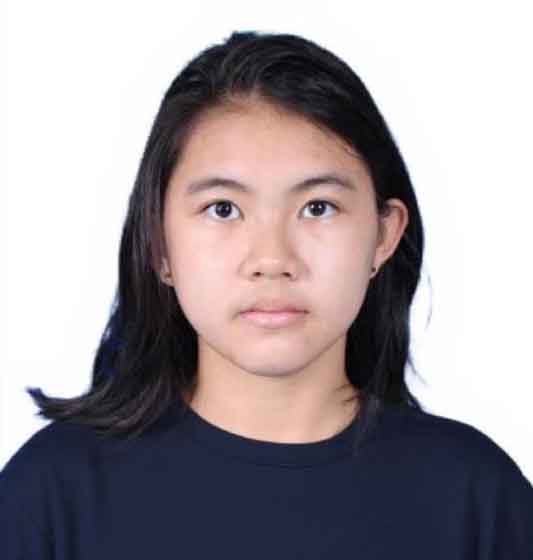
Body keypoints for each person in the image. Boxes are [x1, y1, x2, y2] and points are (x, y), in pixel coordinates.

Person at [1, 30, 532, 558]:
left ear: (383, 235)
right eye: (223, 209)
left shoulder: (477, 500)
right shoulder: (51, 496)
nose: (273, 259)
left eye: (318, 207)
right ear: (159, 244)